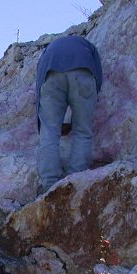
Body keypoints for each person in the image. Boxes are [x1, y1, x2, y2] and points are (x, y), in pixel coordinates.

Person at [35, 34, 103, 192]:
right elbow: (97, 77)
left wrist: (42, 124)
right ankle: (76, 183)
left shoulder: (48, 51)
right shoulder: (87, 46)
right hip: (84, 71)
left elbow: (39, 88)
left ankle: (49, 186)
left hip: (50, 73)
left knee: (49, 133)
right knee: (83, 132)